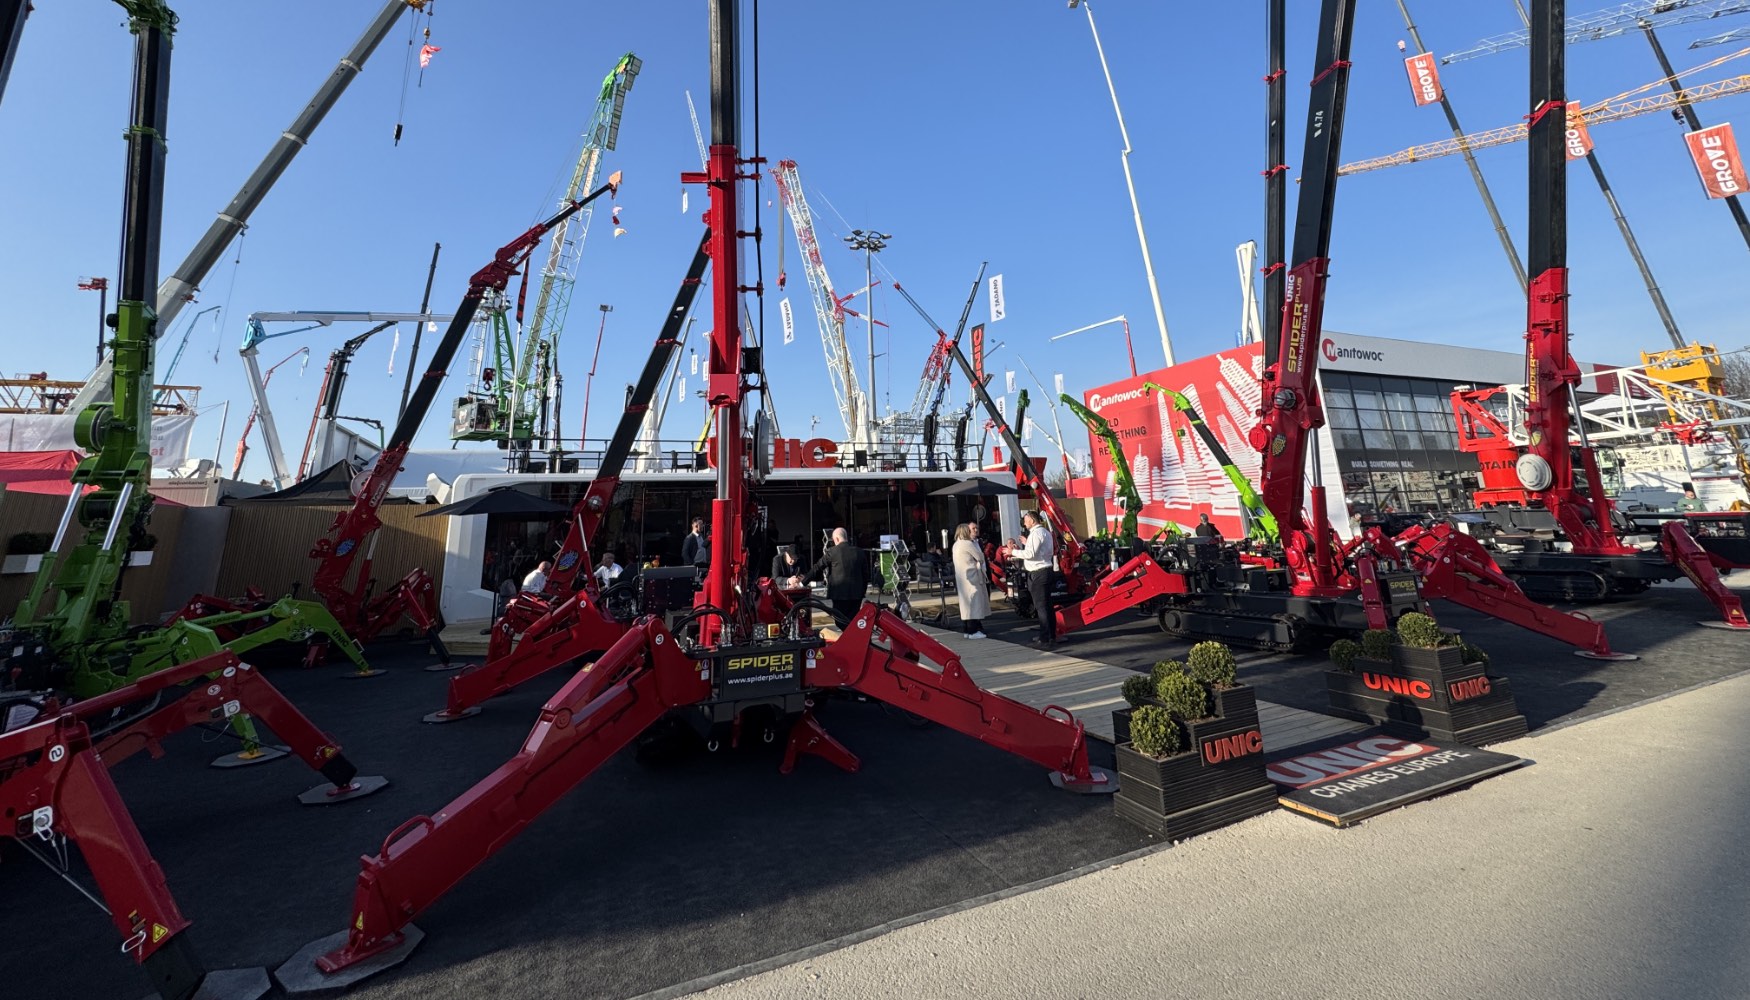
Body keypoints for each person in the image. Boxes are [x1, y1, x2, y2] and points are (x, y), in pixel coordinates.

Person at [801, 526, 871, 621]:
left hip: (839, 595)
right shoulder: (860, 552)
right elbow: (866, 575)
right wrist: (862, 591)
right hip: (856, 594)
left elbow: (818, 567)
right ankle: (850, 635)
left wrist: (803, 582)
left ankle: (848, 635)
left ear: (837, 539)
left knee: (839, 620)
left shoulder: (833, 552)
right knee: (853, 620)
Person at [1010, 510, 1057, 648]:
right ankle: (1051, 635)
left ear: (1032, 520)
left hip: (1038, 572)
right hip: (1046, 569)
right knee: (1047, 606)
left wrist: (1012, 552)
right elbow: (1039, 550)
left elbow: (1031, 554)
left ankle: (1045, 639)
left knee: (1041, 607)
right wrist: (1027, 542)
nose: (1024, 522)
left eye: (1025, 519)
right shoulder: (1044, 532)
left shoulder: (1036, 533)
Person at [951, 523, 990, 638]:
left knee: (966, 604)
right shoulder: (967, 544)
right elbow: (980, 557)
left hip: (962, 577)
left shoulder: (956, 544)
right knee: (974, 603)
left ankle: (967, 630)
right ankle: (973, 631)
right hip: (972, 576)